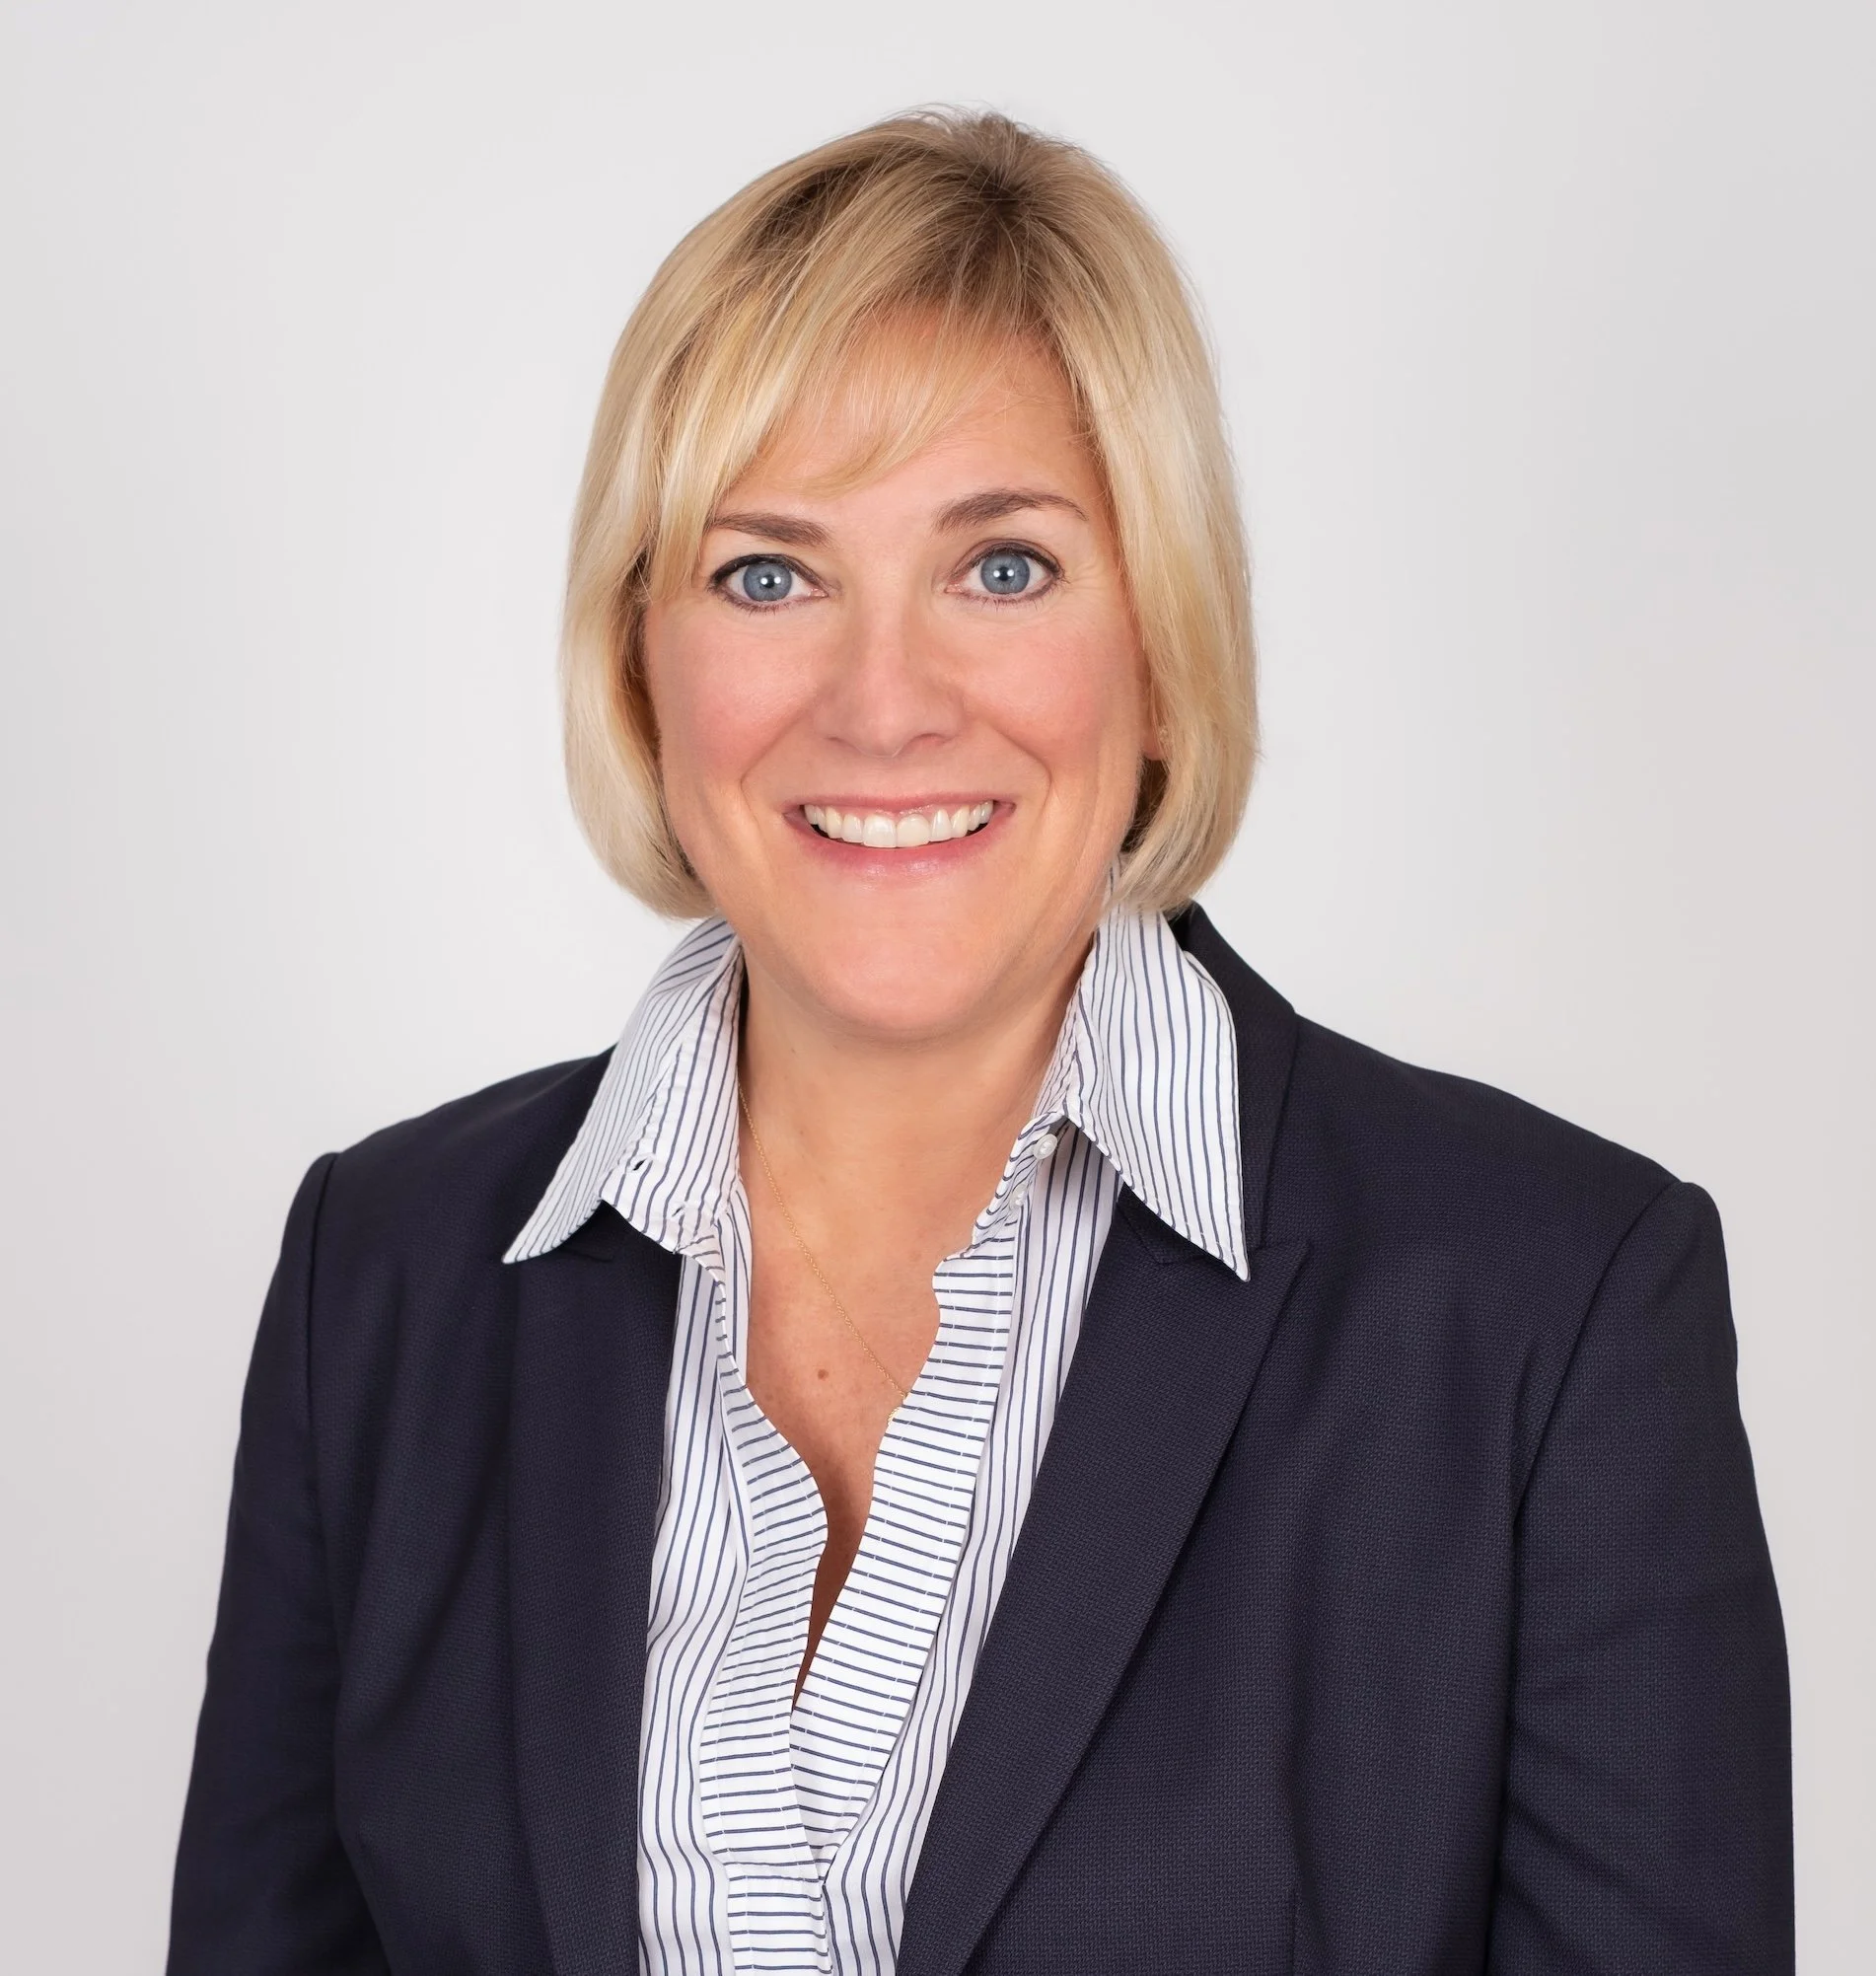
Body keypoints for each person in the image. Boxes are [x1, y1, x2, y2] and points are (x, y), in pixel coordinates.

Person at [167, 110, 1792, 1976]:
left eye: (1002, 566)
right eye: (766, 573)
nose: (882, 702)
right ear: (640, 665)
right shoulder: (383, 1278)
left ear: (1163, 641)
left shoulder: (1550, 1307)